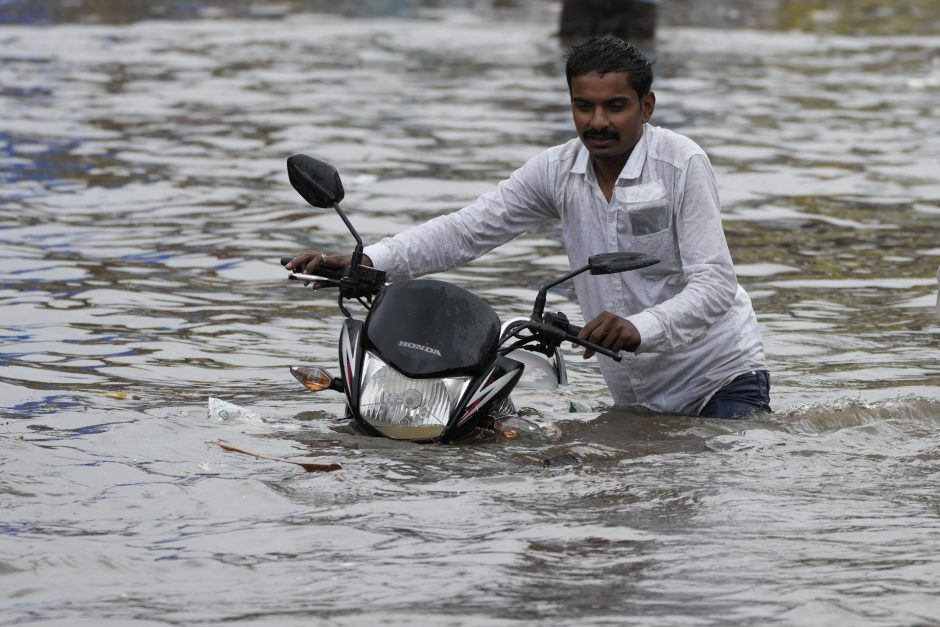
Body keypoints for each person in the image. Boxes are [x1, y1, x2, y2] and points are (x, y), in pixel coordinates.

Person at [288, 35, 770, 418]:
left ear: (646, 107)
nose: (597, 122)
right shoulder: (556, 169)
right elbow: (467, 230)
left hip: (719, 379)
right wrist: (368, 260)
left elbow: (715, 283)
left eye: (615, 107)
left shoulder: (682, 163)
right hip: (633, 393)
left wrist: (640, 326)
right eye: (584, 106)